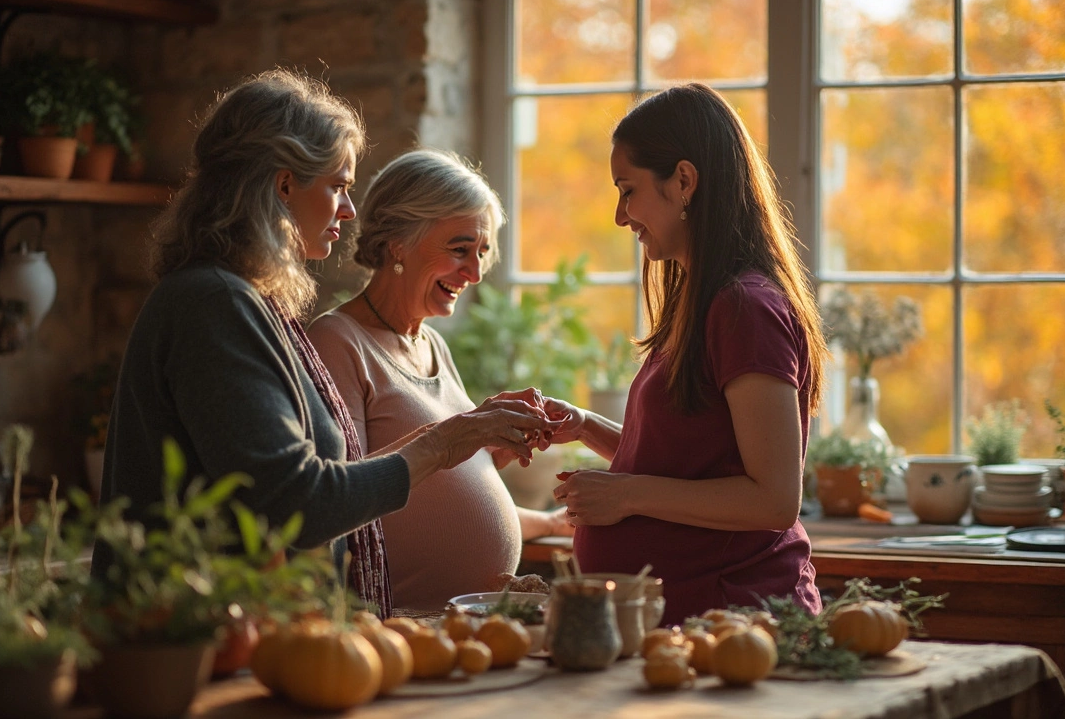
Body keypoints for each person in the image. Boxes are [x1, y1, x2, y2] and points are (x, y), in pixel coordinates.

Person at [94, 70, 552, 617]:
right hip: (180, 640)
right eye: (337, 185)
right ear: (284, 185)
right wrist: (444, 444)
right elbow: (295, 502)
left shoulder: (239, 301)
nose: (350, 210)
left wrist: (468, 455)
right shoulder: (213, 303)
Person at [544, 84, 830, 624]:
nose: (620, 216)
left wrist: (625, 497)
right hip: (691, 622)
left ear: (683, 181)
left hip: (737, 624)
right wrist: (585, 426)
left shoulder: (746, 308)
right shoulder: (702, 303)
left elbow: (772, 500)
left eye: (627, 190)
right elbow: (687, 466)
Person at [308, 149, 573, 611]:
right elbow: (341, 499)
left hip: (472, 625)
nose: (473, 273)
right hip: (399, 633)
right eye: (459, 249)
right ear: (399, 243)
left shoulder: (433, 346)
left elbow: (440, 507)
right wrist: (461, 435)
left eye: (481, 253)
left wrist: (546, 519)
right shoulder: (338, 342)